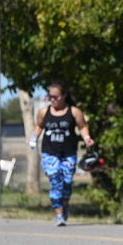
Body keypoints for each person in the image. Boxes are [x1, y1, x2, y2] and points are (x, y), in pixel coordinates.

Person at [30, 81, 94, 226]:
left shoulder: (74, 112)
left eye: (56, 97)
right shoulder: (43, 112)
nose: (52, 99)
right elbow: (38, 126)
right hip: (49, 153)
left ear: (64, 95)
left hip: (68, 154)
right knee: (55, 180)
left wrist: (87, 137)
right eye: (50, 96)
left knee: (66, 183)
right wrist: (33, 138)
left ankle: (64, 206)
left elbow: (82, 127)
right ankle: (58, 214)